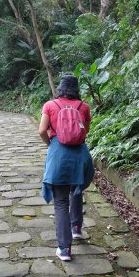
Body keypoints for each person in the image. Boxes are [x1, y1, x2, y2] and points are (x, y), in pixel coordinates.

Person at [39, 73, 94, 261]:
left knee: (61, 201)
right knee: (76, 189)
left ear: (60, 88)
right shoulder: (84, 106)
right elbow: (85, 130)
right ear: (76, 89)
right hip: (80, 155)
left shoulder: (50, 105)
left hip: (58, 154)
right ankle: (76, 228)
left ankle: (64, 250)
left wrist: (51, 143)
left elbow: (41, 130)